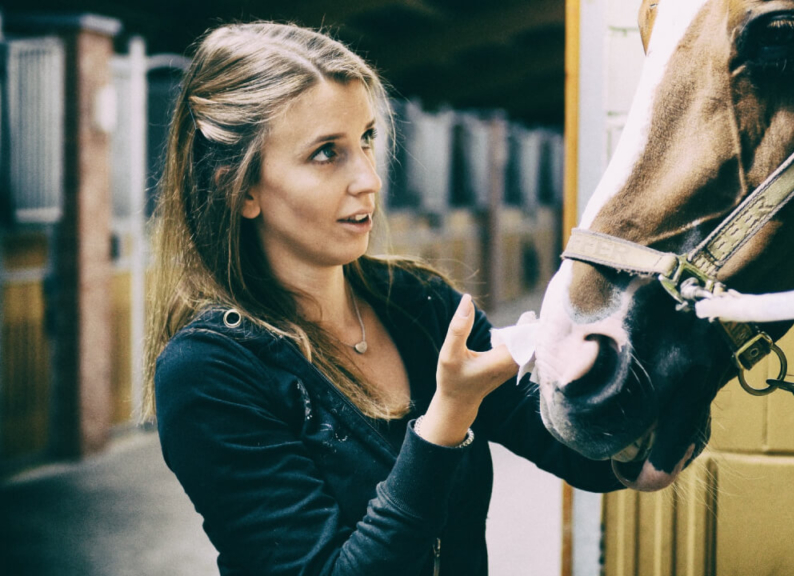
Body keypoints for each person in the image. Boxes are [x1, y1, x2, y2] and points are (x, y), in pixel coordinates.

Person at [143, 22, 622, 576]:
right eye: (327, 153)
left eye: (366, 139)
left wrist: (657, 355)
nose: (368, 178)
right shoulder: (208, 372)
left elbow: (586, 454)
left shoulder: (417, 304)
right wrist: (447, 418)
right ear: (241, 188)